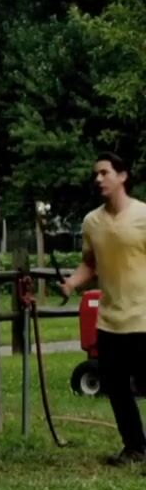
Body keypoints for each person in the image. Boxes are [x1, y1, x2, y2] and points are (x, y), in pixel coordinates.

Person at [61, 152, 146, 465]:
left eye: (105, 172)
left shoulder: (143, 215)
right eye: (95, 174)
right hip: (110, 321)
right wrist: (71, 283)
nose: (98, 179)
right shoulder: (91, 222)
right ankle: (135, 448)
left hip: (143, 318)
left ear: (122, 176)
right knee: (116, 387)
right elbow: (90, 263)